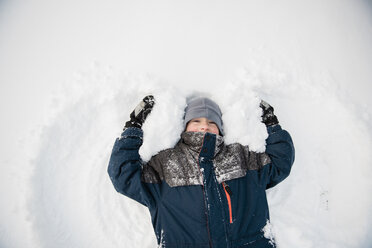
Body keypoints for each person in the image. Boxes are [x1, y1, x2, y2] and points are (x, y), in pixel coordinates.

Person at [108, 95, 295, 248]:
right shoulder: (165, 164)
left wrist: (272, 125)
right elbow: (124, 176)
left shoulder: (241, 157)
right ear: (185, 127)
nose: (204, 126)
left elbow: (280, 164)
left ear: (221, 129)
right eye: (196, 120)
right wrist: (132, 129)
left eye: (212, 122)